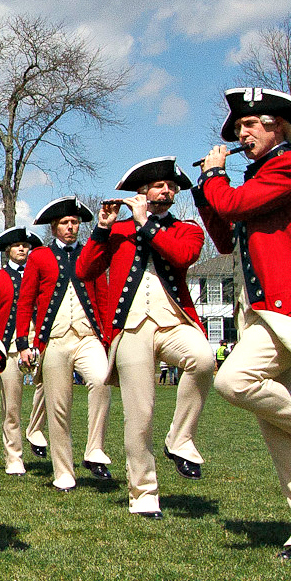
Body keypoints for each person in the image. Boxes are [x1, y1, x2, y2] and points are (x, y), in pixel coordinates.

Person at [195, 87, 291, 559]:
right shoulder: (258, 178)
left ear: (278, 126)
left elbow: (233, 206)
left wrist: (216, 179)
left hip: (288, 307)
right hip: (259, 308)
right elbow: (225, 236)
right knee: (277, 428)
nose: (242, 134)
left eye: (251, 125)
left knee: (233, 381)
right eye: (240, 128)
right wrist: (206, 189)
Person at [77, 157, 216, 519]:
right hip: (132, 327)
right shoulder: (118, 231)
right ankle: (143, 493)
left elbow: (182, 257)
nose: (166, 191)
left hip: (174, 321)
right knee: (139, 414)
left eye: (171, 187)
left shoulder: (187, 230)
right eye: (158, 186)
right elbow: (85, 270)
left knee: (203, 359)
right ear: (142, 193)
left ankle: (180, 438)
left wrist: (147, 224)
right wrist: (102, 230)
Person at [15, 196, 114, 491]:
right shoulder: (39, 257)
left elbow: (104, 296)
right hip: (55, 340)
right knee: (58, 407)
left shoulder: (90, 252)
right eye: (64, 223)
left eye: (74, 223)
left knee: (102, 380)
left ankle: (94, 449)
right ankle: (63, 472)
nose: (70, 227)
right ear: (54, 227)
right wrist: (23, 342)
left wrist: (107, 336)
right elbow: (26, 300)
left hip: (88, 337)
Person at [0, 226, 43, 475]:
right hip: (10, 349)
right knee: (12, 407)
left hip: (38, 344)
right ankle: (14, 456)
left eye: (26, 246)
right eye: (18, 246)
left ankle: (35, 430)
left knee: (49, 390)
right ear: (8, 250)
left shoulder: (40, 276)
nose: (22, 249)